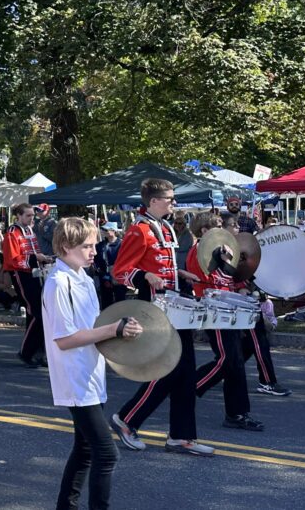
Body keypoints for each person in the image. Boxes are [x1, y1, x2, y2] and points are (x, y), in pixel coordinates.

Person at [43, 217, 139, 510]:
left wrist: (122, 327)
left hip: (90, 372)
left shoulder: (82, 278)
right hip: (75, 376)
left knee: (84, 449)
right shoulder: (59, 283)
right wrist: (112, 330)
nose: (94, 251)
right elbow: (64, 339)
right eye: (86, 246)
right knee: (106, 454)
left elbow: (91, 326)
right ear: (65, 246)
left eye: (94, 244)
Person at [110, 178, 212, 456]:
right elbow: (119, 272)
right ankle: (127, 419)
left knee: (186, 372)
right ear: (153, 201)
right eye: (169, 198)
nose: (173, 202)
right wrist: (143, 276)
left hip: (174, 306)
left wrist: (180, 274)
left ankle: (181, 436)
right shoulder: (139, 231)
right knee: (170, 369)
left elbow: (162, 268)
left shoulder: (164, 227)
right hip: (154, 309)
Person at [185, 213, 264, 431]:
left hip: (228, 309)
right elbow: (210, 280)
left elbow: (229, 280)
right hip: (215, 311)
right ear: (204, 231)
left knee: (236, 361)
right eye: (218, 225)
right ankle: (188, 387)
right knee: (228, 360)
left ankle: (237, 413)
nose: (224, 229)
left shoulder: (220, 251)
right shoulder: (199, 252)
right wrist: (226, 263)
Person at [3, 203, 54, 367]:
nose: (32, 218)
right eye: (28, 215)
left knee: (40, 314)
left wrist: (43, 258)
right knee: (36, 313)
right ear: (18, 215)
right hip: (21, 274)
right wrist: (35, 259)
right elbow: (13, 259)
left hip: (34, 273)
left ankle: (37, 353)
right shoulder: (12, 232)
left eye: (32, 215)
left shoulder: (30, 230)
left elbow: (34, 251)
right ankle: (26, 353)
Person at [92, 223, 123, 310]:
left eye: (106, 230)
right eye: (103, 230)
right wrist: (104, 276)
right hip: (104, 277)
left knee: (120, 301)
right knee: (106, 303)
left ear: (113, 231)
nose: (103, 232)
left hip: (119, 277)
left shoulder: (122, 244)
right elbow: (96, 261)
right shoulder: (100, 246)